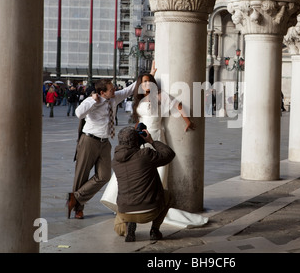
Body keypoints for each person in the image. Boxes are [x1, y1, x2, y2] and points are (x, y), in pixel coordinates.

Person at [101, 73, 209, 229]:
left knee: (156, 170)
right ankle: (124, 204)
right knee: (133, 168)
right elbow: (139, 120)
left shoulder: (159, 96)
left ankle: (152, 204)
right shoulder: (138, 99)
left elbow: (177, 105)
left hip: (155, 135)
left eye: (149, 82)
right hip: (140, 136)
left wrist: (188, 121)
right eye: (143, 82)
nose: (146, 85)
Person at [67, 64, 157, 219]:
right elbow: (78, 113)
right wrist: (92, 101)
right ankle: (78, 209)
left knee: (104, 176)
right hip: (89, 141)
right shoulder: (92, 101)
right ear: (102, 92)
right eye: (111, 89)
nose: (114, 90)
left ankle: (76, 197)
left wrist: (149, 75)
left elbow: (130, 89)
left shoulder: (114, 99)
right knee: (81, 175)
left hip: (105, 143)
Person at [112, 126, 175, 242]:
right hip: (149, 212)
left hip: (125, 211)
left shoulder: (115, 161)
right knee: (169, 196)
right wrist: (151, 141)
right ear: (136, 141)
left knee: (119, 225)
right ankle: (154, 230)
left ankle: (129, 226)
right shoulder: (146, 155)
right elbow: (169, 154)